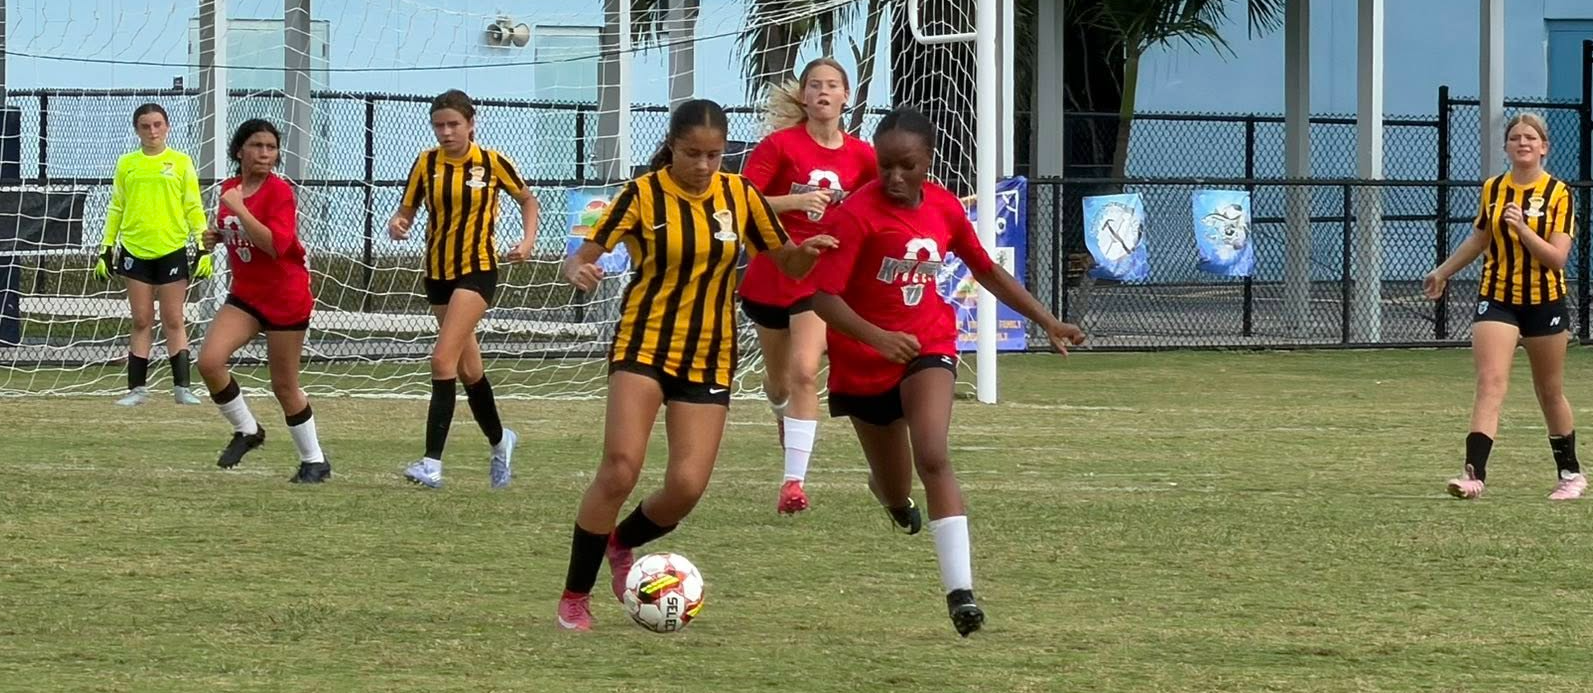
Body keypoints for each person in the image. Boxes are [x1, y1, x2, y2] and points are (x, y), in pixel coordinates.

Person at [553, 99, 838, 631]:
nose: (704, 165)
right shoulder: (642, 194)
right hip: (644, 345)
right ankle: (575, 596)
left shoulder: (740, 195)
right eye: (693, 154)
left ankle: (621, 542)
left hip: (709, 355)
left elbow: (787, 261)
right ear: (672, 147)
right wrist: (577, 269)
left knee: (685, 488)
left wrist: (811, 251)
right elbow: (582, 255)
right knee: (619, 469)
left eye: (714, 155)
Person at [809, 107, 1085, 637]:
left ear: (929, 162)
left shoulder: (943, 208)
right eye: (885, 165)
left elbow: (985, 268)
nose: (894, 176)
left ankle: (962, 594)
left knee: (932, 454)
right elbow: (824, 298)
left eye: (907, 166)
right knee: (895, 486)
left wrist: (1047, 320)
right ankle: (893, 499)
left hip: (928, 346)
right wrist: (878, 338)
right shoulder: (856, 215)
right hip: (864, 361)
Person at [739, 57, 878, 515]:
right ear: (803, 96)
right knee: (779, 382)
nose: (823, 92)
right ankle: (782, 412)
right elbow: (743, 201)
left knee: (804, 371)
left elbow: (878, 206)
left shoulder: (863, 156)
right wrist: (795, 202)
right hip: (774, 272)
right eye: (815, 85)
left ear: (846, 96)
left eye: (832, 85)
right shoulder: (779, 146)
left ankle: (793, 483)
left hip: (819, 279)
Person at [1423, 112, 1584, 501]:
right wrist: (1442, 272)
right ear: (1506, 147)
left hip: (1544, 301)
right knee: (1490, 381)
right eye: (1515, 138)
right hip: (1497, 298)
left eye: (1530, 137)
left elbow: (1557, 258)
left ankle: (1571, 474)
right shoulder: (1493, 188)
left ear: (1544, 147)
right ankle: (1473, 474)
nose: (1523, 143)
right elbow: (1479, 239)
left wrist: (1523, 228)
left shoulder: (1558, 193)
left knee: (1549, 390)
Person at [390, 89, 540, 490]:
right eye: (438, 125)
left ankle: (431, 464)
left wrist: (527, 241)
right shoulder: (426, 163)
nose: (446, 132)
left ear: (471, 124)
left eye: (453, 124)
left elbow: (528, 200)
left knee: (442, 359)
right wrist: (398, 224)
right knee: (469, 370)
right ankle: (501, 442)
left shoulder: (492, 162)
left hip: (477, 271)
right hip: (437, 273)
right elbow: (406, 210)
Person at [194, 119, 328, 483]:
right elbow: (235, 232)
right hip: (247, 296)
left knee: (284, 386)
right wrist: (216, 236)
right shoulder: (230, 188)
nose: (265, 153)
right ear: (240, 151)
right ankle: (247, 429)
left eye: (271, 147)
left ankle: (314, 461)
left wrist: (240, 210)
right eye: (257, 145)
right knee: (209, 362)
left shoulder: (279, 192)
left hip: (285, 298)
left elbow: (275, 245)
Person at [97, 103, 212, 406]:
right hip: (135, 249)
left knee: (173, 319)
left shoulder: (181, 162)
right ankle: (136, 389)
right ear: (137, 130)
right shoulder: (127, 163)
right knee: (141, 319)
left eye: (158, 125)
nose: (152, 131)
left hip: (171, 249)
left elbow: (193, 206)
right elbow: (117, 206)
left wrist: (202, 247)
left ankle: (182, 387)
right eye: (145, 126)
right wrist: (106, 247)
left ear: (167, 127)